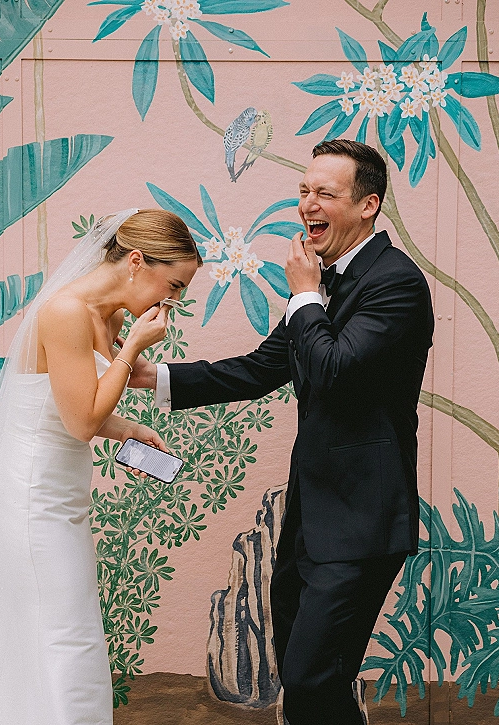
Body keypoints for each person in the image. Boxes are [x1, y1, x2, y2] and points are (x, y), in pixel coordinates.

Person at [129, 140, 434, 724]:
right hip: (312, 516)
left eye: (325, 193)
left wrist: (303, 294)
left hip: (363, 520)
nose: (306, 205)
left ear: (369, 204)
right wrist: (157, 378)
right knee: (312, 679)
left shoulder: (396, 283)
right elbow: (265, 366)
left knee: (309, 677)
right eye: (303, 190)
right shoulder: (323, 283)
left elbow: (333, 370)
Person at [0, 208, 202, 724]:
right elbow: (79, 421)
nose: (173, 302)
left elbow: (71, 404)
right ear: (137, 262)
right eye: (173, 286)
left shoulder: (111, 315)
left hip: (62, 494)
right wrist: (133, 354)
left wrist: (129, 431)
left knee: (47, 635)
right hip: (29, 500)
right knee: (66, 638)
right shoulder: (65, 311)